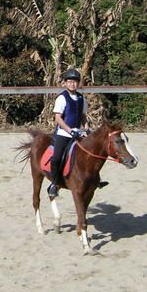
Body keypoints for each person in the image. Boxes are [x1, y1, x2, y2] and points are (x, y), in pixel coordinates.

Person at [47, 68, 88, 198]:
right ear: (65, 83)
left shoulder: (82, 98)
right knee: (57, 157)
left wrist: (86, 128)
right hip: (64, 133)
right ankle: (54, 183)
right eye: (69, 81)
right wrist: (70, 131)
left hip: (78, 132)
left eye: (75, 82)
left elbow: (83, 116)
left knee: (92, 153)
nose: (72, 84)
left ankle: (95, 179)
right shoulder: (62, 98)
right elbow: (58, 118)